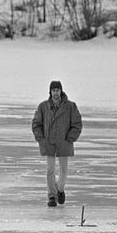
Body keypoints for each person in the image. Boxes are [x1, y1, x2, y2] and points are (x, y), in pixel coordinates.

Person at [32, 79, 82, 207]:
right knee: (50, 171)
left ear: (61, 91)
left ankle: (60, 189)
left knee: (64, 171)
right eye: (53, 90)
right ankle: (52, 196)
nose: (56, 93)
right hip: (48, 143)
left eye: (58, 90)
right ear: (50, 92)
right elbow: (36, 124)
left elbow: (77, 124)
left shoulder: (70, 106)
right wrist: (41, 139)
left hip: (64, 143)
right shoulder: (43, 106)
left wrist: (70, 138)